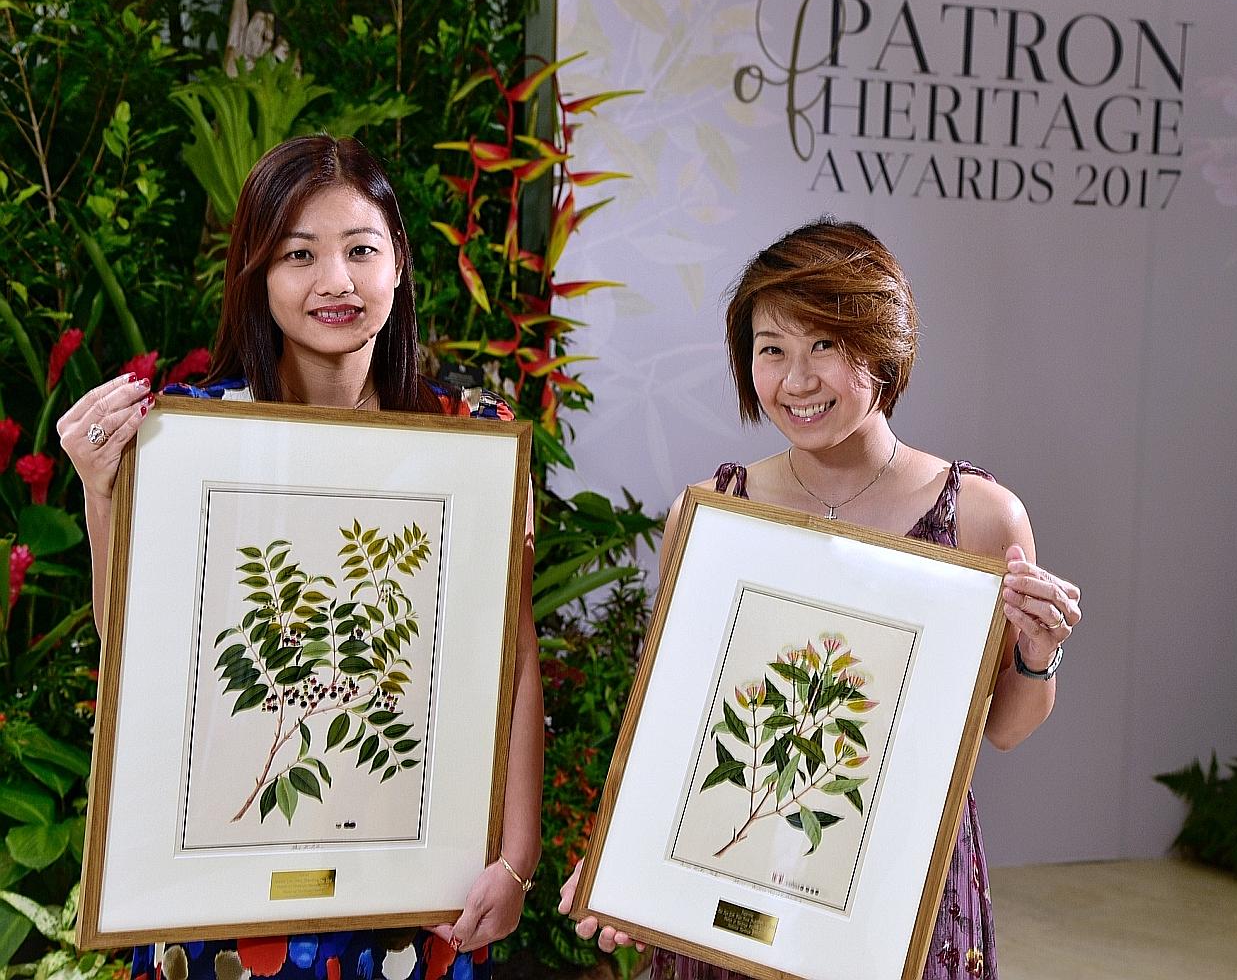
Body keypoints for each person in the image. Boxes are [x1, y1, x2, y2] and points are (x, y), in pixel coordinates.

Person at [56, 135, 543, 980]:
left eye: (361, 250)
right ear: (257, 273)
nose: (336, 281)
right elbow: (133, 650)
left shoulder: (475, 440)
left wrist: (516, 857)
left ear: (399, 263)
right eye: (299, 255)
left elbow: (516, 655)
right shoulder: (192, 435)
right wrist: (103, 495)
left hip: (414, 882)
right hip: (224, 887)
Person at [557, 218, 1082, 979]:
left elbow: (1001, 730)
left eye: (825, 346)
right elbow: (674, 723)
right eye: (772, 349)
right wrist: (621, 863)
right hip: (732, 874)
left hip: (898, 891)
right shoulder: (712, 515)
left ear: (883, 346)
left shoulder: (979, 518)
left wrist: (1036, 655)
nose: (796, 381)